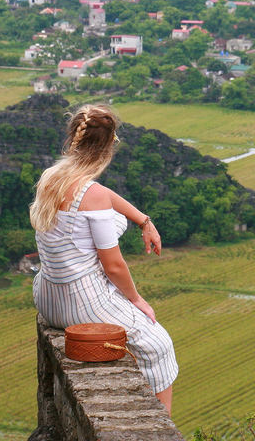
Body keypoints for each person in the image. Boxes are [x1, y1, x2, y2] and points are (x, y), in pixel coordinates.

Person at [29, 104, 178, 415]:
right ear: (110, 144)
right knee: (158, 344)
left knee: (110, 218)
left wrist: (143, 220)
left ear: (74, 139)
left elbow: (99, 195)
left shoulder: (50, 177)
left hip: (48, 298)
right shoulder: (91, 193)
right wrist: (136, 300)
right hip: (82, 303)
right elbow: (113, 266)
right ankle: (163, 428)